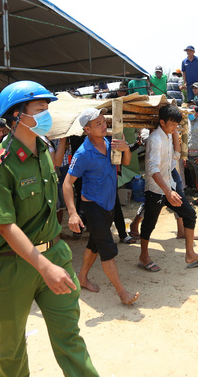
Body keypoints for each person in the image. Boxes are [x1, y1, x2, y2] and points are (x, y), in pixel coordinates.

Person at [0, 80, 98, 376]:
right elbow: (5, 226)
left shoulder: (43, 150)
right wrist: (44, 266)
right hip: (13, 267)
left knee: (70, 337)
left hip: (55, 255)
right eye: (40, 109)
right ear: (16, 116)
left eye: (47, 109)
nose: (47, 115)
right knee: (12, 347)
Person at [63, 108, 140, 305]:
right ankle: (122, 292)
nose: (103, 125)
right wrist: (72, 213)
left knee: (95, 244)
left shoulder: (109, 142)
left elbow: (126, 162)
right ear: (87, 129)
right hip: (93, 207)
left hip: (109, 203)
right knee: (107, 248)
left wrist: (125, 149)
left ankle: (81, 277)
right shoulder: (83, 154)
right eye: (98, 124)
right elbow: (67, 184)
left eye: (103, 121)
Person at [142, 105, 198, 270]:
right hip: (156, 190)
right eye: (173, 124)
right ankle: (143, 256)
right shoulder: (155, 140)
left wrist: (175, 136)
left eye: (177, 125)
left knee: (189, 215)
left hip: (169, 187)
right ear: (162, 122)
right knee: (149, 223)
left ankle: (190, 254)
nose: (175, 127)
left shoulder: (167, 136)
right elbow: (153, 169)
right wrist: (167, 191)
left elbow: (175, 157)